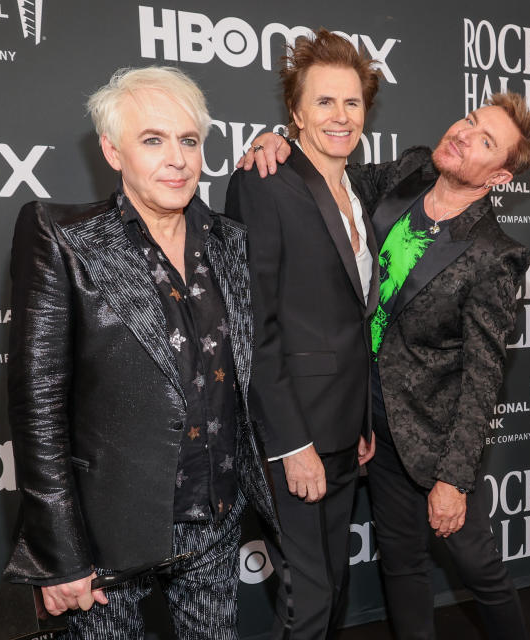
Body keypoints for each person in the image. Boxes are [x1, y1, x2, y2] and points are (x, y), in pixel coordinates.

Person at [240, 91, 530, 640]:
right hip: (366, 418)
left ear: (499, 176)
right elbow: (328, 179)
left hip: (434, 435)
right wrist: (280, 142)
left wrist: (453, 477)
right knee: (400, 564)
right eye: (469, 119)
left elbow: (483, 378)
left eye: (485, 140)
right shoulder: (409, 171)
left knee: (480, 570)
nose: (463, 133)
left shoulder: (493, 254)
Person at [1, 66, 277, 639]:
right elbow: (39, 409)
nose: (176, 158)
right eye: (153, 140)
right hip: (105, 535)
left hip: (217, 520)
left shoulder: (231, 241)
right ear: (112, 150)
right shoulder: (64, 237)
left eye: (189, 140)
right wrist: (62, 555)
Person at [223, 30, 380, 639]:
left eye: (352, 103)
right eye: (324, 102)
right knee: (310, 597)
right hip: (292, 433)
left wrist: (361, 420)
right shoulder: (265, 182)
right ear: (295, 112)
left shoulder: (358, 190)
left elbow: (351, 318)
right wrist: (292, 445)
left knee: (332, 589)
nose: (340, 116)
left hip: (344, 429)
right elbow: (252, 322)